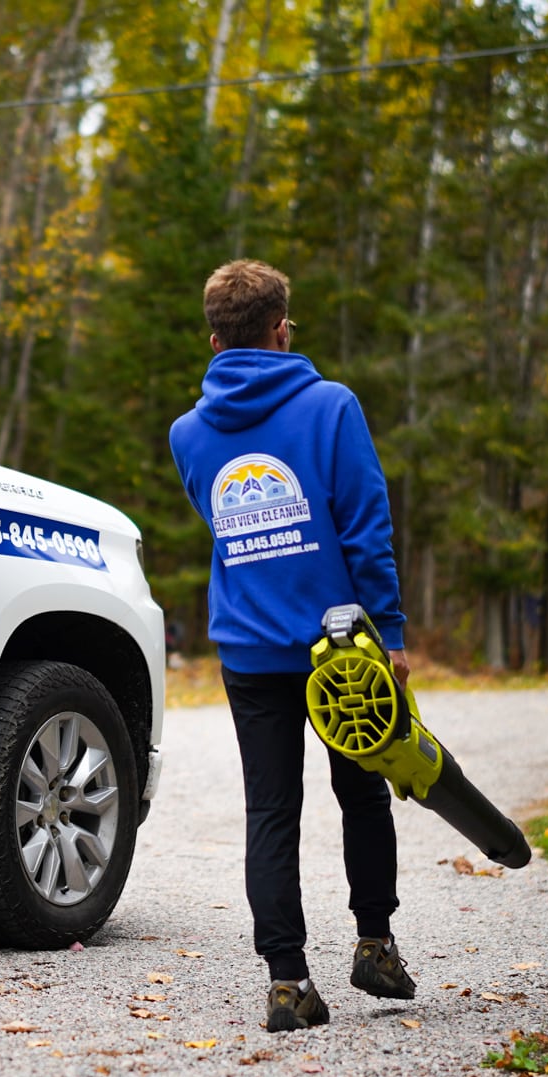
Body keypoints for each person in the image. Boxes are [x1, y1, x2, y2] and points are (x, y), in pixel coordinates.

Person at [168, 260, 416, 1031]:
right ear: (282, 328)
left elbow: (225, 530)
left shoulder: (188, 433)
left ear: (214, 339)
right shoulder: (331, 408)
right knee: (364, 793)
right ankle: (374, 945)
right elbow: (365, 530)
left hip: (248, 648)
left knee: (270, 812)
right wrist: (393, 635)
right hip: (341, 650)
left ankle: (288, 984)